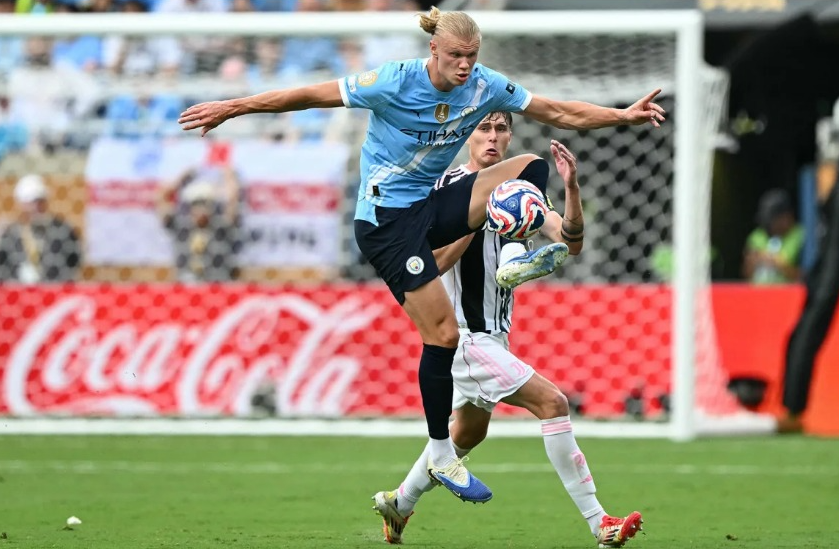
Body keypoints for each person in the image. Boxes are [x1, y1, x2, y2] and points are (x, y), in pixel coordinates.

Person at [179, 7, 665, 503]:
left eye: (471, 56)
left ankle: (514, 253)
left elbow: (559, 112)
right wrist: (233, 107)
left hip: (428, 209)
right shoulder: (393, 81)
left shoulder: (484, 85)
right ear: (433, 50)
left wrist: (621, 115)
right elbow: (308, 95)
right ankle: (439, 451)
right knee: (444, 335)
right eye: (456, 55)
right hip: (385, 223)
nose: (465, 65)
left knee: (529, 166)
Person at [371, 114, 643, 548]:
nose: (493, 138)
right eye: (484, 129)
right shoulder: (445, 189)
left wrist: (571, 188)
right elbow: (429, 264)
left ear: (511, 136)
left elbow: (571, 242)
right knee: (553, 402)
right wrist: (475, 219)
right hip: (461, 335)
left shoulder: (520, 191)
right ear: (468, 135)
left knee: (468, 433)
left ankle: (399, 504)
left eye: (501, 129)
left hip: (495, 336)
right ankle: (600, 522)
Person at [778, 156, 839, 433]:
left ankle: (793, 411)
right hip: (828, 264)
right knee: (803, 335)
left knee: (806, 333)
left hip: (830, 267)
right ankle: (792, 410)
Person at [155, 164, 242, 282]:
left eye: (205, 204)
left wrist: (227, 173)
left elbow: (233, 200)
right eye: (196, 204)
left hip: (216, 285)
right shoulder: (181, 226)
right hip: (185, 285)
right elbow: (162, 198)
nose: (201, 209)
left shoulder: (220, 227)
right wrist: (183, 177)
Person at [0, 174, 81, 283]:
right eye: (32, 202)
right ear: (21, 204)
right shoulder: (12, 233)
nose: (37, 207)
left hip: (54, 287)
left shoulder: (62, 230)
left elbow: (73, 260)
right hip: (18, 289)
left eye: (40, 201)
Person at [742, 188, 804, 284]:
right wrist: (752, 263)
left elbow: (806, 277)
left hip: (787, 291)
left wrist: (778, 264)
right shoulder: (757, 236)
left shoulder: (800, 235)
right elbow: (745, 275)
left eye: (772, 221)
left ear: (786, 217)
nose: (768, 226)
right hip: (759, 291)